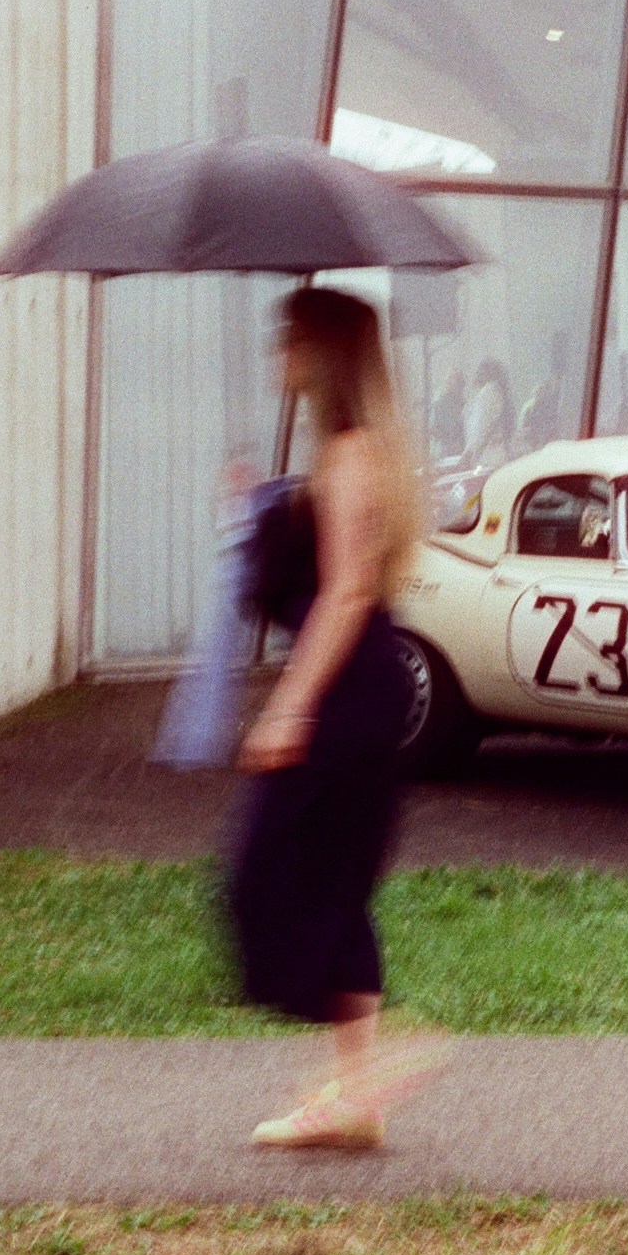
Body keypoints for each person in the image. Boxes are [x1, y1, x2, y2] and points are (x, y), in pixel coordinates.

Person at [227, 286, 438, 1151]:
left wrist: (287, 709)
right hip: (359, 686)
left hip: (346, 693)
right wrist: (260, 514)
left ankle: (368, 1076)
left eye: (289, 339)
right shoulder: (348, 456)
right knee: (329, 884)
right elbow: (309, 588)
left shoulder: (351, 457)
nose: (278, 352)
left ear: (323, 353)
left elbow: (347, 593)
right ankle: (357, 1094)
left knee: (269, 878)